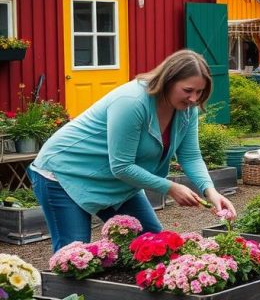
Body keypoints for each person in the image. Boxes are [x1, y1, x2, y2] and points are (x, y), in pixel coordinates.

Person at [29, 50, 234, 252]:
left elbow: (190, 156)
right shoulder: (132, 102)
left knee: (154, 244)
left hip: (116, 180)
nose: (193, 98)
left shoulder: (187, 110)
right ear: (168, 81)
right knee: (74, 255)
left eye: (199, 92)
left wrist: (210, 191)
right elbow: (121, 166)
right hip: (63, 173)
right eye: (188, 90)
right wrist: (171, 187)